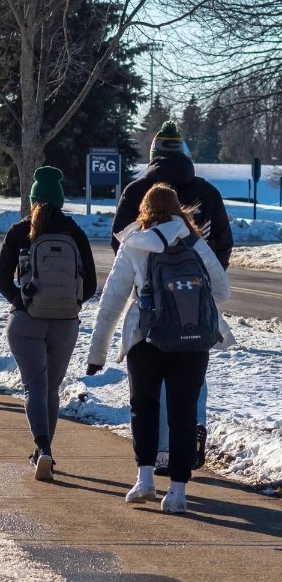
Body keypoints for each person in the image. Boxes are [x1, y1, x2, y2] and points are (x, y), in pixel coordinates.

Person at [86, 183, 230, 513]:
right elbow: (221, 291)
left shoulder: (134, 242)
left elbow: (112, 300)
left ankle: (145, 479)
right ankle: (178, 492)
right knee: (183, 413)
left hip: (146, 338)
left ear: (145, 208)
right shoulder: (193, 241)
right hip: (193, 341)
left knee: (144, 406)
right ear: (178, 207)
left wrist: (97, 354)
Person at [111, 120, 234, 475]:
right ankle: (192, 433)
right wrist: (205, 280)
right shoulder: (207, 192)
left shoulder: (136, 192)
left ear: (152, 155)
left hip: (150, 302)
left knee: (151, 383)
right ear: (182, 152)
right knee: (192, 375)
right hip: (197, 301)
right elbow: (223, 242)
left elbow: (118, 243)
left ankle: (161, 452)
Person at [0, 166, 97, 481]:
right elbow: (91, 284)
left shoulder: (18, 231)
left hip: (27, 321)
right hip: (65, 323)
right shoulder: (75, 233)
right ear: (61, 200)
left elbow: (1, 278)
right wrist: (71, 303)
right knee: (51, 388)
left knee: (34, 387)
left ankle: (42, 448)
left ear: (33, 199)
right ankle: (46, 451)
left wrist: (20, 301)